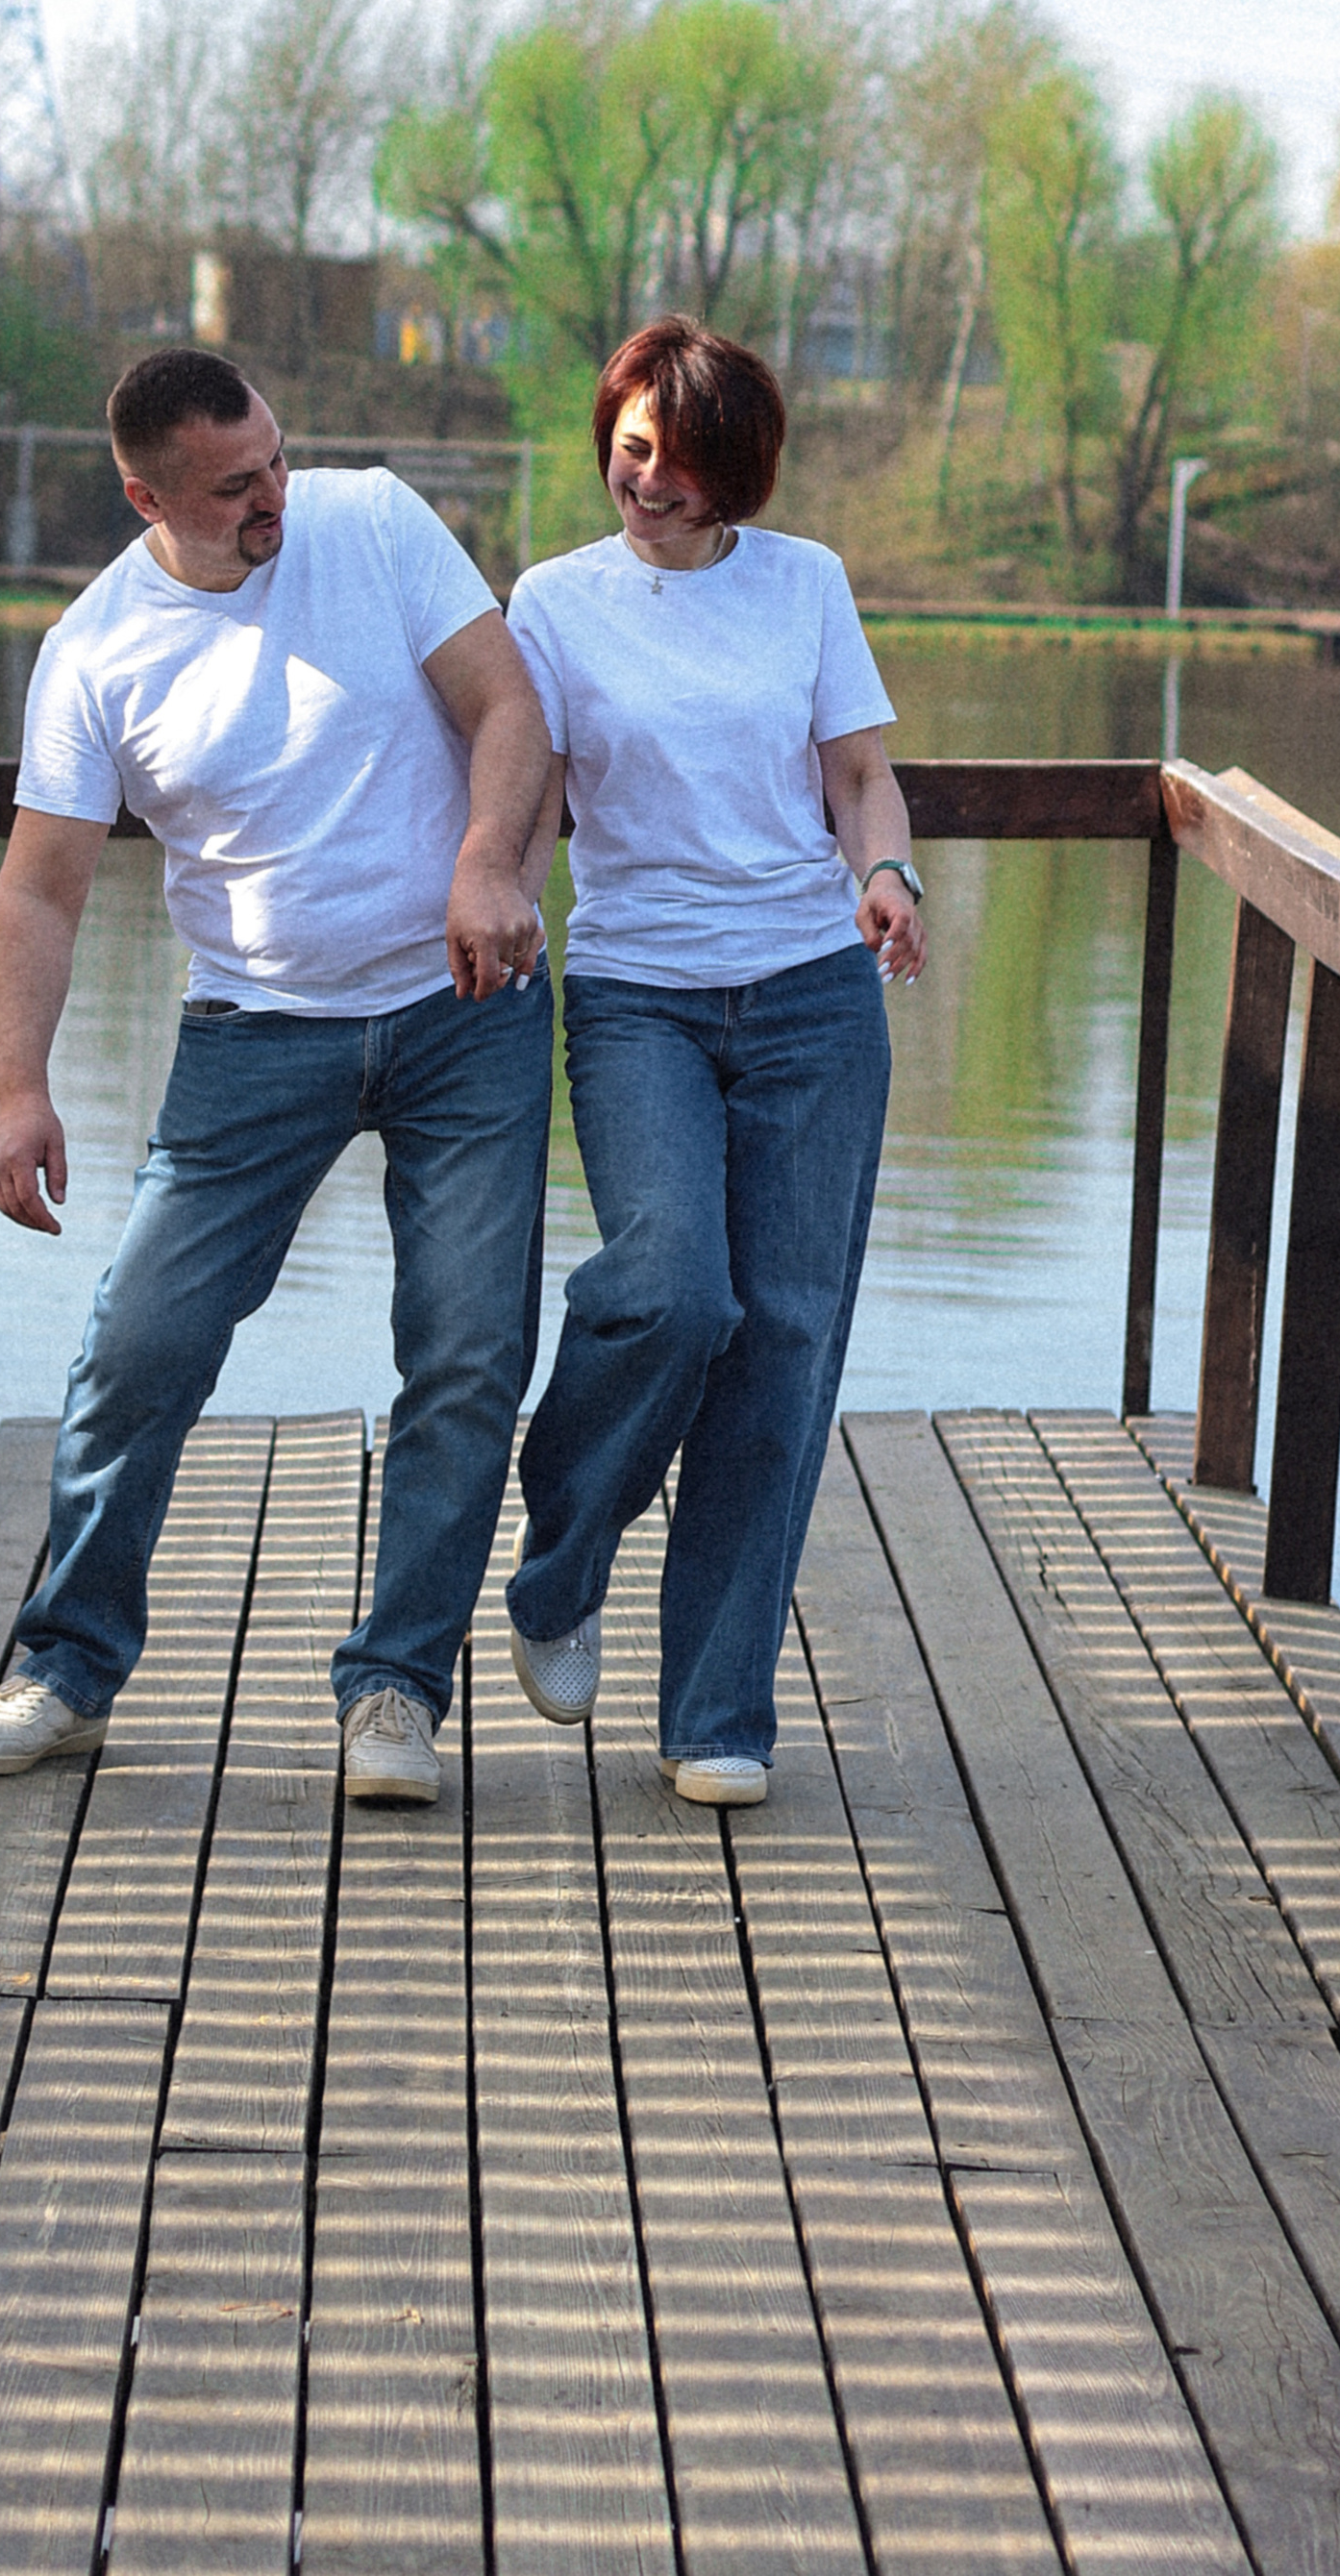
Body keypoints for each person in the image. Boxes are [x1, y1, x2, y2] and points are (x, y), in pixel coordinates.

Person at [0, 346, 554, 1808]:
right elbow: (38, 895)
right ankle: (66, 1670)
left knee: (466, 1355)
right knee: (137, 1347)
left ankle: (397, 1689)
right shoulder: (97, 651)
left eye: (277, 458)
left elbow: (511, 711)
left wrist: (483, 862)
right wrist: (20, 1090)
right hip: (254, 1034)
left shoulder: (378, 522)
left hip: (466, 1010)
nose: (275, 496)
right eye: (236, 488)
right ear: (150, 497)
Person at [498, 315, 926, 1807]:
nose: (654, 487)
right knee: (675, 1287)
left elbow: (861, 777)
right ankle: (564, 1551)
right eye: (633, 455)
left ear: (739, 473)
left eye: (687, 467)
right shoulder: (551, 604)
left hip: (814, 995)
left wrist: (891, 877)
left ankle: (717, 1713)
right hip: (639, 998)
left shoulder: (804, 584)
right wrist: (477, 887)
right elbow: (525, 794)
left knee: (783, 1349)